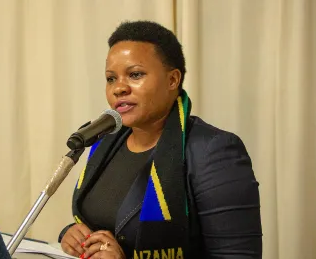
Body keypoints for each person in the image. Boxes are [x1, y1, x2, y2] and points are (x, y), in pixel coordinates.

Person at [59, 20, 262, 259]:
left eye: (135, 74)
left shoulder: (214, 151)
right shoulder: (104, 143)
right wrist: (70, 234)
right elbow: (104, 220)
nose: (118, 88)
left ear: (172, 80)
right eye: (111, 78)